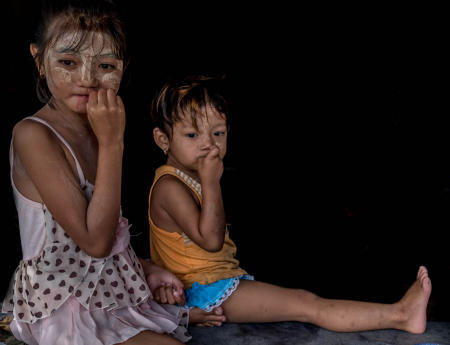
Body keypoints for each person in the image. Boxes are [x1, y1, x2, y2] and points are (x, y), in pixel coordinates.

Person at [1, 2, 223, 344]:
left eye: (105, 65)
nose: (87, 78)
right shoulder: (33, 135)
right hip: (64, 308)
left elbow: (109, 231)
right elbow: (95, 242)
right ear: (39, 60)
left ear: (123, 66)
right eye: (67, 62)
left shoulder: (99, 125)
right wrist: (112, 143)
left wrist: (146, 269)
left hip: (110, 294)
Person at [148, 74, 432, 333]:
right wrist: (212, 183)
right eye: (192, 135)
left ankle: (400, 314)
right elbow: (211, 240)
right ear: (163, 139)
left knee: (304, 301)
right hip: (201, 290)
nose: (209, 144)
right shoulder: (169, 186)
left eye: (218, 133)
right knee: (306, 304)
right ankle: (400, 315)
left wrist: (208, 181)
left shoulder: (190, 177)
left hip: (214, 281)